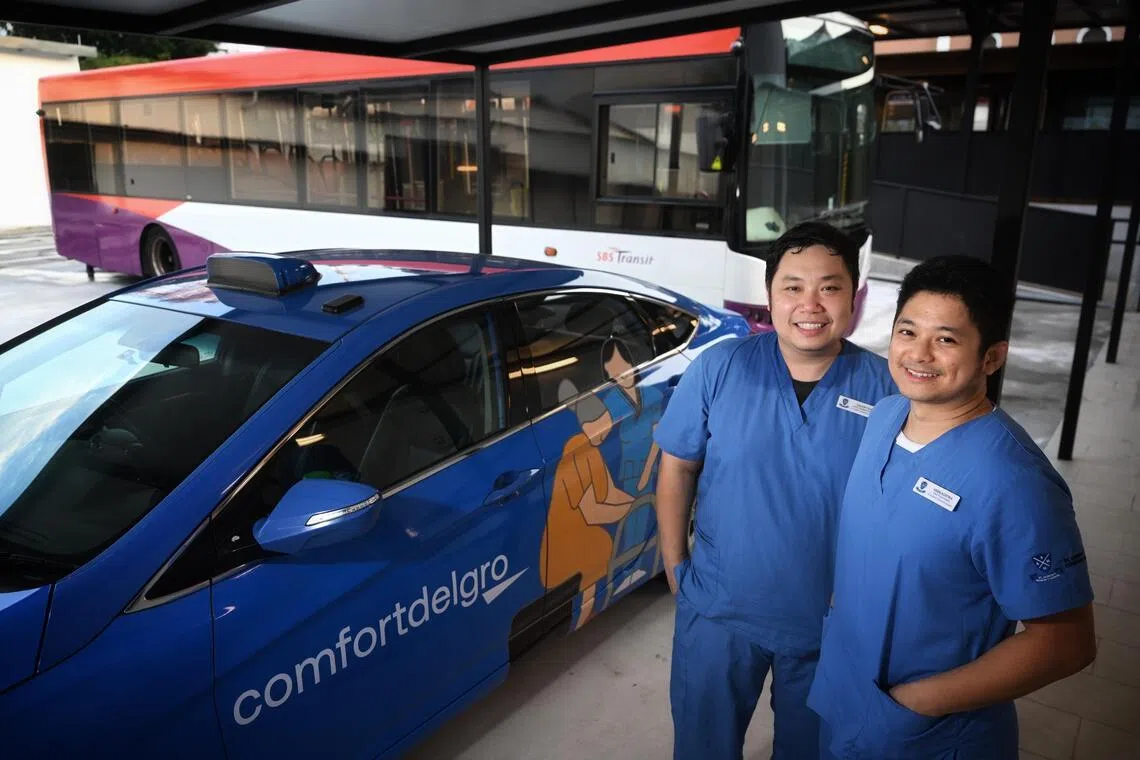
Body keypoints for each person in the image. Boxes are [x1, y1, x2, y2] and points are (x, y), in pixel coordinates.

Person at [807, 256, 1097, 759]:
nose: (918, 354)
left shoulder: (1014, 481)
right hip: (849, 693)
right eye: (907, 331)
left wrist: (924, 702)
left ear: (991, 357)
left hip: (930, 734)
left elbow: (1067, 642)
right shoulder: (886, 415)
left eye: (946, 339)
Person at [653, 221, 897, 760]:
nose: (810, 303)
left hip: (829, 626)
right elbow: (676, 467)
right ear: (769, 295)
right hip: (719, 612)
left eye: (829, 287)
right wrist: (675, 564)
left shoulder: (886, 388)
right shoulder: (721, 367)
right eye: (792, 286)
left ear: (853, 297)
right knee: (703, 748)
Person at [539, 379, 635, 631]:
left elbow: (611, 491)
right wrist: (628, 510)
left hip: (579, 533)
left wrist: (631, 502)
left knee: (601, 542)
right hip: (562, 543)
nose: (606, 431)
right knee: (600, 544)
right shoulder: (577, 449)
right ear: (587, 426)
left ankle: (587, 610)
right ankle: (584, 613)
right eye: (601, 426)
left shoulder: (593, 449)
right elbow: (592, 513)